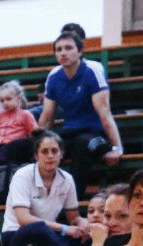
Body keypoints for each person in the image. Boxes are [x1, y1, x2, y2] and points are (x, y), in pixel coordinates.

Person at [37, 31, 122, 197]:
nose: (63, 53)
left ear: (80, 52)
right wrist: (39, 144)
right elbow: (46, 119)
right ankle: (43, 197)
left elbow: (105, 114)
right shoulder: (54, 76)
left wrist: (117, 148)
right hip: (70, 133)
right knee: (49, 148)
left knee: (81, 145)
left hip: (95, 134)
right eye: (59, 49)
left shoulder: (92, 70)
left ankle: (74, 200)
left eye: (68, 48)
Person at [0, 131, 87, 246]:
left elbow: (73, 217)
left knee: (89, 234)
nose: (50, 156)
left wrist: (82, 223)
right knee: (38, 228)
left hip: (48, 237)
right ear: (36, 155)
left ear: (61, 154)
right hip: (15, 236)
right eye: (44, 151)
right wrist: (64, 228)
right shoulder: (22, 175)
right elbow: (23, 219)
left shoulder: (67, 179)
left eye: (54, 151)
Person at [0, 80, 36, 167]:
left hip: (14, 147)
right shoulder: (0, 116)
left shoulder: (25, 114)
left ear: (18, 98)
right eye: (2, 101)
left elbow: (34, 134)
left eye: (9, 99)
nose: (5, 103)